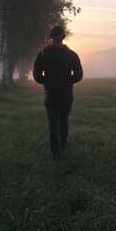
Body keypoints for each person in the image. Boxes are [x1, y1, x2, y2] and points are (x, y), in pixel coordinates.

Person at [33, 25, 83, 159]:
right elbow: (79, 75)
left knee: (53, 123)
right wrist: (67, 81)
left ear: (51, 37)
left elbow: (36, 75)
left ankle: (55, 153)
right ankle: (63, 145)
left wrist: (47, 81)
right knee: (64, 119)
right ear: (63, 37)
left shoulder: (42, 54)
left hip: (50, 93)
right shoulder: (72, 55)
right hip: (66, 93)